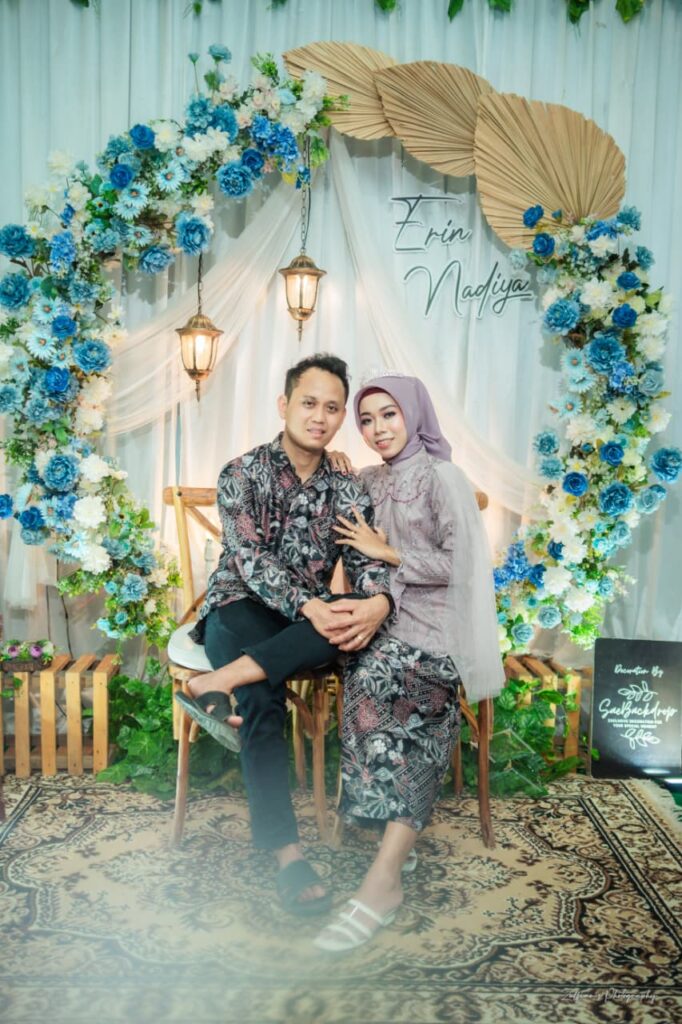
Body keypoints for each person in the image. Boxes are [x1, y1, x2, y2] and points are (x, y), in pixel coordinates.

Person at [175, 354, 394, 917]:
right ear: (284, 405)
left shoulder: (345, 485)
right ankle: (288, 855)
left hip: (304, 624)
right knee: (261, 695)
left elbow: (364, 557)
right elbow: (247, 559)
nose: (319, 416)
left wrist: (376, 600)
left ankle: (214, 683)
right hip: (239, 607)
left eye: (332, 408)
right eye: (309, 403)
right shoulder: (241, 472)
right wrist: (309, 605)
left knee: (355, 615)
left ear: (341, 417)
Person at [313, 372, 504, 952]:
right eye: (366, 420)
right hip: (384, 622)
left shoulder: (444, 477)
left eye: (388, 415)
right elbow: (334, 515)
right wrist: (333, 465)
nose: (377, 429)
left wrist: (389, 551)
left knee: (407, 694)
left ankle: (383, 880)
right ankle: (393, 836)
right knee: (362, 675)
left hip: (438, 631)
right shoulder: (369, 479)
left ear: (414, 414)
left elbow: (464, 564)